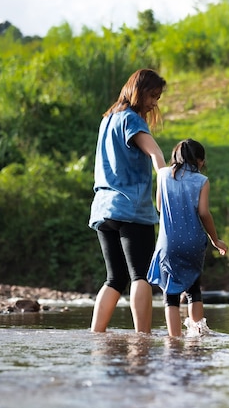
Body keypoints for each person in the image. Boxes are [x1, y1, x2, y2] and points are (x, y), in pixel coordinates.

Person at [88, 68, 167, 333]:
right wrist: (164, 186)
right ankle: (142, 337)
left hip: (103, 209)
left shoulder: (107, 119)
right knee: (141, 275)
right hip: (131, 209)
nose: (154, 103)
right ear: (139, 91)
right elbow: (156, 155)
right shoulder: (132, 120)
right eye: (152, 96)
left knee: (115, 278)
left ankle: (96, 335)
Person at [147, 138, 228, 337]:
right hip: (193, 242)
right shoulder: (201, 181)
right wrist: (215, 240)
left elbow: (158, 206)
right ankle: (197, 334)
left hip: (169, 243)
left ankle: (174, 338)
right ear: (199, 161)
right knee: (194, 289)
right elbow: (204, 213)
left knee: (171, 294)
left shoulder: (163, 175)